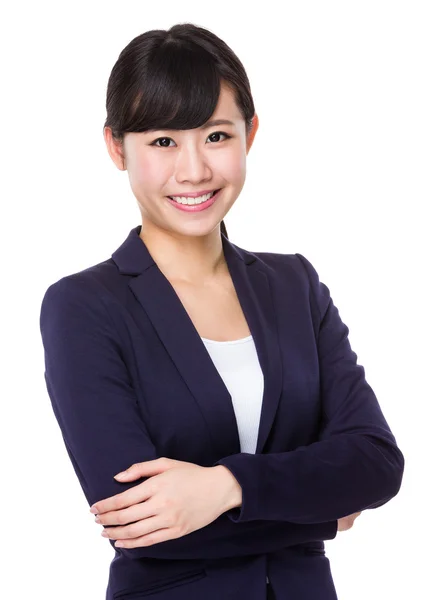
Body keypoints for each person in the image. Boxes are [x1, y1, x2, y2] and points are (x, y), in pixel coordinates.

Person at [39, 23, 404, 600]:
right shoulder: (84, 306)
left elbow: (377, 463)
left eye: (215, 135)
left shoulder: (295, 285)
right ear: (116, 146)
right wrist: (323, 515)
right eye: (163, 142)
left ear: (249, 133)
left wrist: (226, 487)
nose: (193, 171)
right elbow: (141, 528)